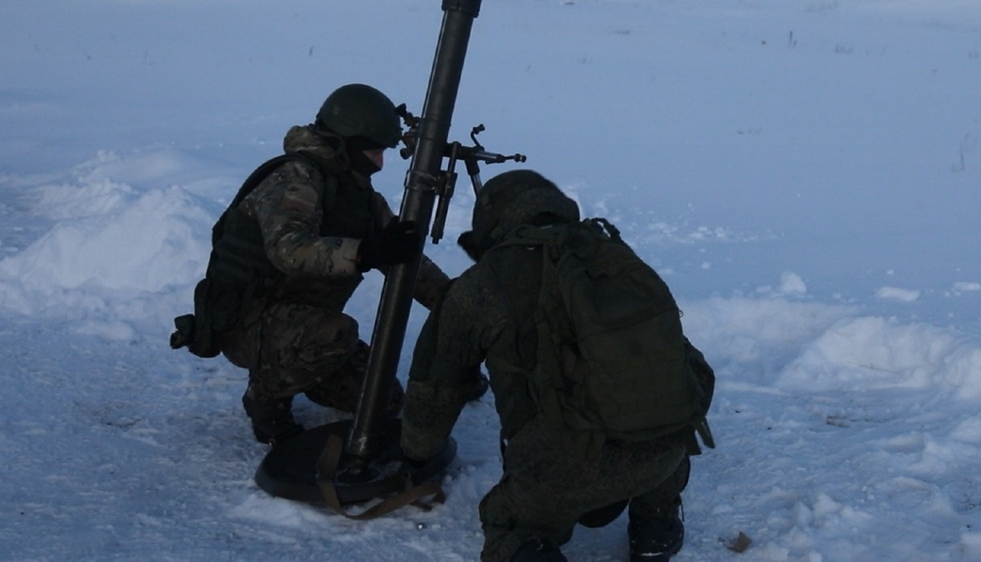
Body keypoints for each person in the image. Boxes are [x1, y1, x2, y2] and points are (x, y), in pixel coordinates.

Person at [400, 170, 714, 562]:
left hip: (561, 472)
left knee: (509, 521)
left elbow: (436, 390)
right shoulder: (610, 255)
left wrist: (414, 453)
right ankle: (656, 524)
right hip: (662, 453)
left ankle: (531, 545)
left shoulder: (480, 284)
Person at [187, 83, 452, 445]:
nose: (380, 163)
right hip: (249, 321)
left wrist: (455, 305)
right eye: (374, 151)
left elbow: (406, 259)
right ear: (347, 143)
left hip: (300, 321)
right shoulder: (294, 178)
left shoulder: (355, 192)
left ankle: (298, 368)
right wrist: (363, 253)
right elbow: (289, 250)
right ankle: (265, 396)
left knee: (383, 400)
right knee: (334, 334)